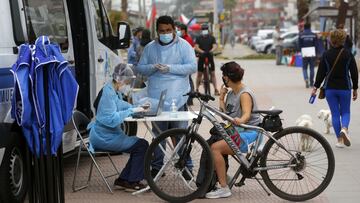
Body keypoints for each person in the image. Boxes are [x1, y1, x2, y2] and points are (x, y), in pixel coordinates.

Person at [136, 15, 197, 177]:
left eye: (168, 30)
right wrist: (153, 67)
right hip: (156, 98)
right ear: (157, 31)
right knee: (158, 136)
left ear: (174, 29)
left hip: (179, 96)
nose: (165, 33)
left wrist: (170, 68)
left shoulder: (184, 46)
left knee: (181, 134)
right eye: (162, 31)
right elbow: (141, 68)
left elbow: (192, 67)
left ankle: (186, 166)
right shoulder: (150, 47)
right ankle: (157, 167)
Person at [87, 64, 150, 191]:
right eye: (127, 81)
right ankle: (132, 181)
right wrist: (132, 110)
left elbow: (119, 104)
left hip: (108, 135)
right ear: (120, 79)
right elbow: (110, 120)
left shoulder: (112, 90)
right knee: (141, 145)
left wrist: (137, 107)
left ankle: (124, 180)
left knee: (140, 145)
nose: (127, 84)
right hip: (103, 137)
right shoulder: (108, 93)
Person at [205, 62, 261, 199]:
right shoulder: (231, 93)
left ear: (227, 78)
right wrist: (222, 98)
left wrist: (240, 120)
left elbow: (246, 114)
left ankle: (224, 188)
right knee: (213, 141)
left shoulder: (244, 94)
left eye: (223, 76)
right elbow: (225, 114)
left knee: (215, 148)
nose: (223, 78)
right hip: (237, 131)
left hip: (249, 134)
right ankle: (224, 177)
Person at [311, 29, 358, 148]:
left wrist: (315, 87)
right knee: (346, 111)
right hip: (345, 88)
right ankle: (344, 128)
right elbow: (354, 72)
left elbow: (321, 72)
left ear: (331, 40)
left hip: (330, 89)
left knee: (335, 113)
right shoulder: (348, 54)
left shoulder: (326, 54)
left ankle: (339, 140)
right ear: (343, 40)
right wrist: (355, 88)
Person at [195, 23, 220, 95]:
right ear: (201, 30)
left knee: (212, 73)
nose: (204, 30)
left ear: (208, 29)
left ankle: (215, 89)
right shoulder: (198, 38)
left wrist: (211, 51)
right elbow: (196, 47)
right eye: (203, 29)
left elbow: (215, 45)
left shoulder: (212, 37)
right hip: (201, 56)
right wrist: (201, 51)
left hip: (210, 56)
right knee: (199, 74)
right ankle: (197, 89)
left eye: (205, 29)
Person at [177, 23, 196, 105]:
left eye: (180, 29)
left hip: (186, 64)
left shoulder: (187, 39)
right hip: (181, 65)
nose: (178, 31)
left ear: (184, 30)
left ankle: (190, 98)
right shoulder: (179, 39)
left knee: (188, 80)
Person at [299, 23, 318, 88]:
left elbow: (299, 45)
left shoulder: (301, 35)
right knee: (312, 68)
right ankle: (311, 82)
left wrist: (301, 51)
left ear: (304, 27)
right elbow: (316, 44)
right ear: (310, 27)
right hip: (312, 52)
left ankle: (306, 79)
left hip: (305, 52)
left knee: (304, 67)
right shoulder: (314, 35)